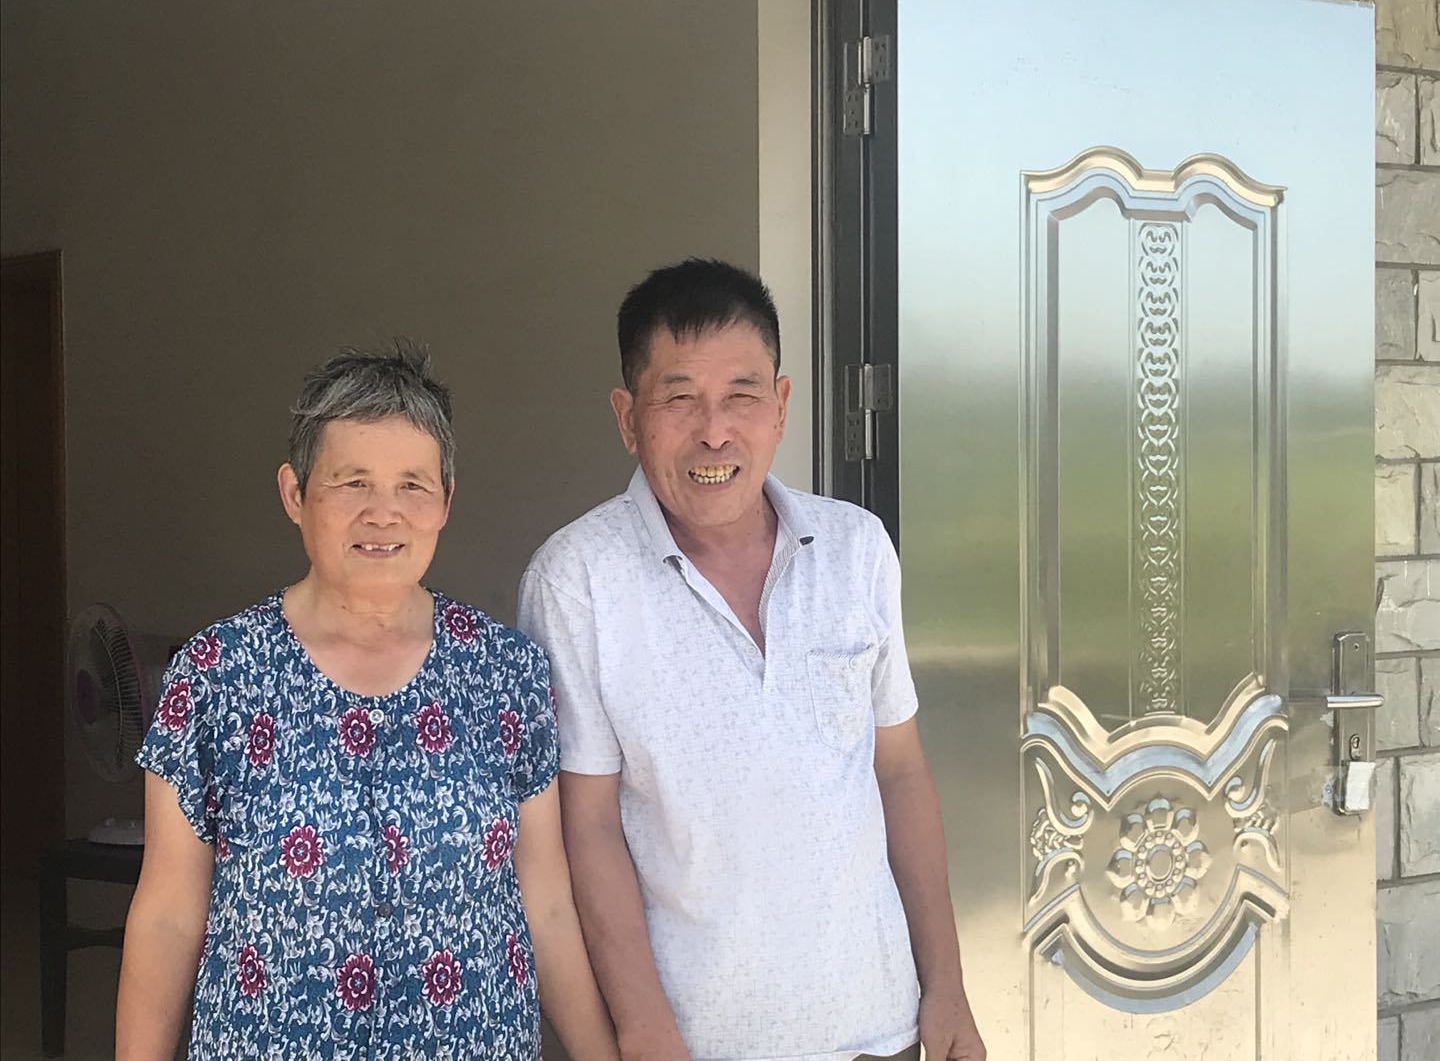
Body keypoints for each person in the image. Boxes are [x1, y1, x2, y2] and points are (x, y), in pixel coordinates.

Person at [517, 260, 985, 1061]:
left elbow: (900, 772)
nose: (714, 431)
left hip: (881, 1028)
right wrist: (643, 1027)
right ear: (628, 418)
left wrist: (946, 987)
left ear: (781, 405)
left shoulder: (856, 549)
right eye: (679, 399)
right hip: (697, 1042)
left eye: (742, 395)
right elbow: (585, 826)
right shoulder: (577, 580)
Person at [116, 346, 617, 1060]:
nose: (384, 514)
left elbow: (547, 903)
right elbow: (168, 915)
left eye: (412, 485)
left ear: (445, 501)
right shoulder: (216, 673)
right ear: (295, 494)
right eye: (352, 483)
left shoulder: (505, 672)